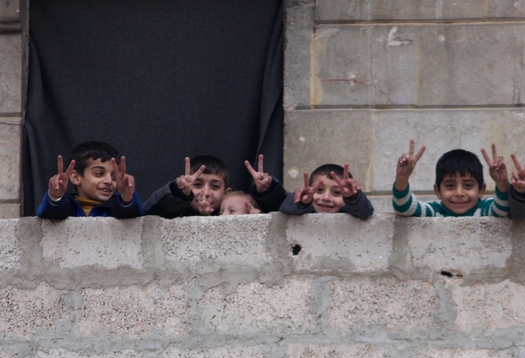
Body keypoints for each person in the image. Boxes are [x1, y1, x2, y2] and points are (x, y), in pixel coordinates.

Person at [392, 140, 509, 217]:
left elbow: (504, 208)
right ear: (437, 191)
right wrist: (402, 177)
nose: (459, 193)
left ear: (481, 190)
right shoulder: (434, 212)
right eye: (450, 186)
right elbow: (404, 208)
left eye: (468, 185)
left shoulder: (485, 209)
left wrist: (502, 183)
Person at [144, 154, 285, 217]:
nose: (205, 192)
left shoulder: (232, 215)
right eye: (197, 184)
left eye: (215, 187)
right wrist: (179, 195)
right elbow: (148, 211)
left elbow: (281, 211)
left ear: (226, 193)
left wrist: (266, 191)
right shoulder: (175, 213)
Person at [37, 141, 142, 219]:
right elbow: (50, 214)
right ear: (75, 177)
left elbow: (131, 216)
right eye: (99, 174)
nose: (109, 181)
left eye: (114, 176)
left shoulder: (116, 207)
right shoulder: (67, 206)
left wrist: (127, 197)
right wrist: (55, 196)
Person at [280, 163, 373, 219]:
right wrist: (301, 201)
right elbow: (286, 208)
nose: (326, 198)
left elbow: (365, 211)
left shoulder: (347, 211)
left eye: (336, 192)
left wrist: (353, 198)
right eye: (319, 190)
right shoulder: (306, 210)